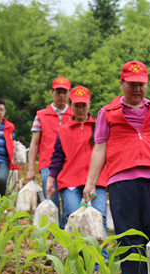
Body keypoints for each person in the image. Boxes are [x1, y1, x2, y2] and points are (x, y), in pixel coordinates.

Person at [83, 61, 150, 274]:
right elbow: (100, 148)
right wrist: (91, 183)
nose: (137, 89)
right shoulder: (107, 113)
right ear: (122, 84)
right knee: (128, 232)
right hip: (121, 179)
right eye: (132, 85)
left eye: (141, 85)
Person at [45, 86, 109, 229]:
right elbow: (57, 157)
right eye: (77, 106)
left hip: (97, 180)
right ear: (71, 105)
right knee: (73, 215)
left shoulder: (100, 126)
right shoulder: (63, 130)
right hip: (70, 180)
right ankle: (74, 250)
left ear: (89, 105)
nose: (80, 110)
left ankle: (99, 252)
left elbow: (108, 153)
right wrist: (50, 179)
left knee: (98, 216)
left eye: (83, 106)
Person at [27, 76, 74, 225]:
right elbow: (34, 143)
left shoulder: (75, 114)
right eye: (58, 92)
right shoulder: (41, 115)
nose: (61, 95)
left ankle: (68, 236)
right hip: (47, 164)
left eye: (64, 92)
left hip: (70, 165)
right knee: (51, 203)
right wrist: (31, 169)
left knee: (70, 203)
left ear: (69, 94)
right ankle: (55, 238)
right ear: (52, 92)